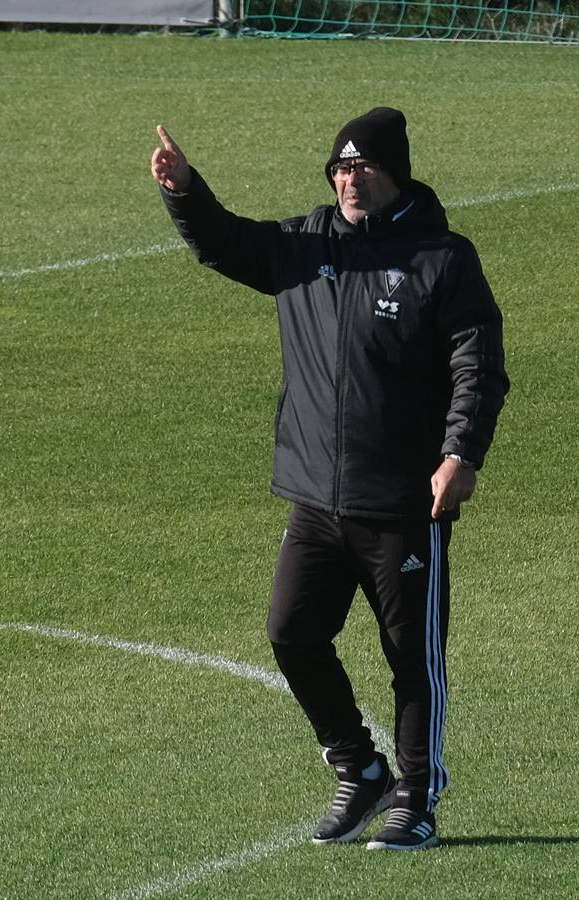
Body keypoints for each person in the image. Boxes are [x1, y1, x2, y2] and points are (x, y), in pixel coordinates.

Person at [150, 107, 508, 851]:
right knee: (291, 633)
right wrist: (184, 190)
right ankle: (358, 767)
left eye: (362, 168)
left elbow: (478, 368)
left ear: (394, 173)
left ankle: (417, 794)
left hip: (405, 499)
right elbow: (225, 242)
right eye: (339, 169)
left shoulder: (441, 259)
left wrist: (459, 455)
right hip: (315, 493)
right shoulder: (304, 246)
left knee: (411, 657)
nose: (349, 180)